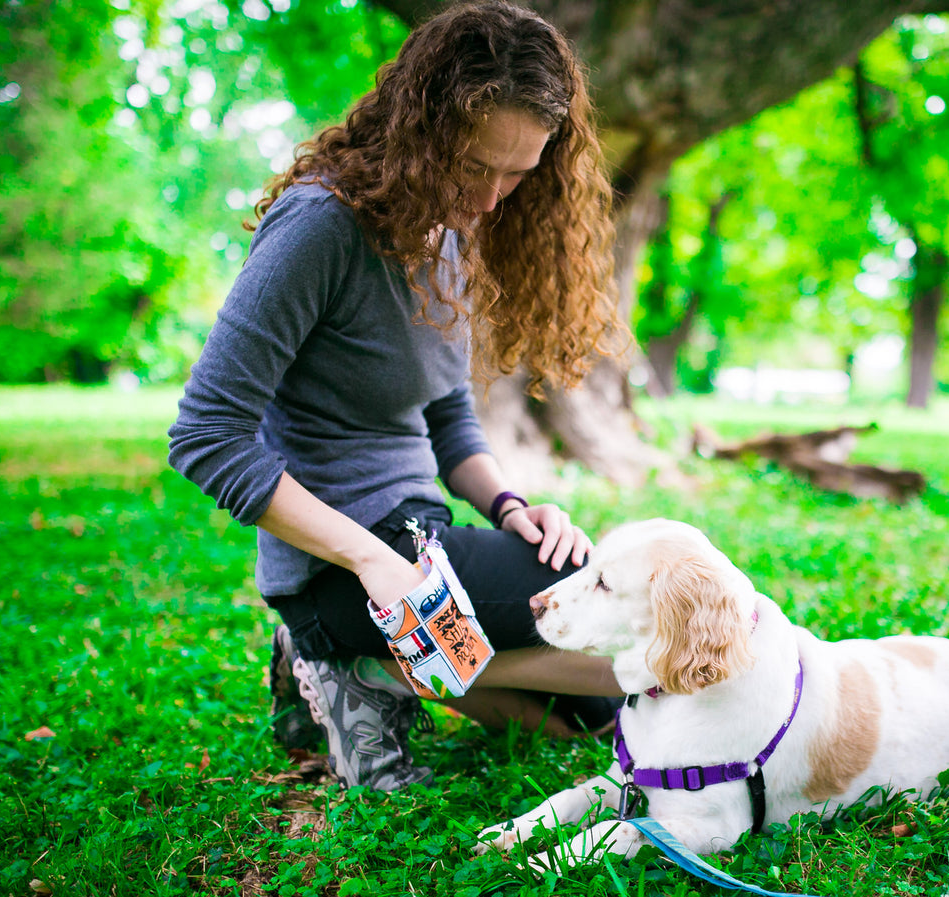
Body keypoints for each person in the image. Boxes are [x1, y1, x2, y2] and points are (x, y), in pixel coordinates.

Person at [167, 0, 626, 792]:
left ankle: (380, 668)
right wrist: (372, 559)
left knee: (588, 717)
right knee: (624, 653)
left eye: (517, 176)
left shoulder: (447, 230)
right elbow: (206, 435)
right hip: (342, 567)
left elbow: (447, 414)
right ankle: (344, 650)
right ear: (420, 129)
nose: (489, 201)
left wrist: (514, 508)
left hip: (424, 537)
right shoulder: (318, 226)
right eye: (475, 167)